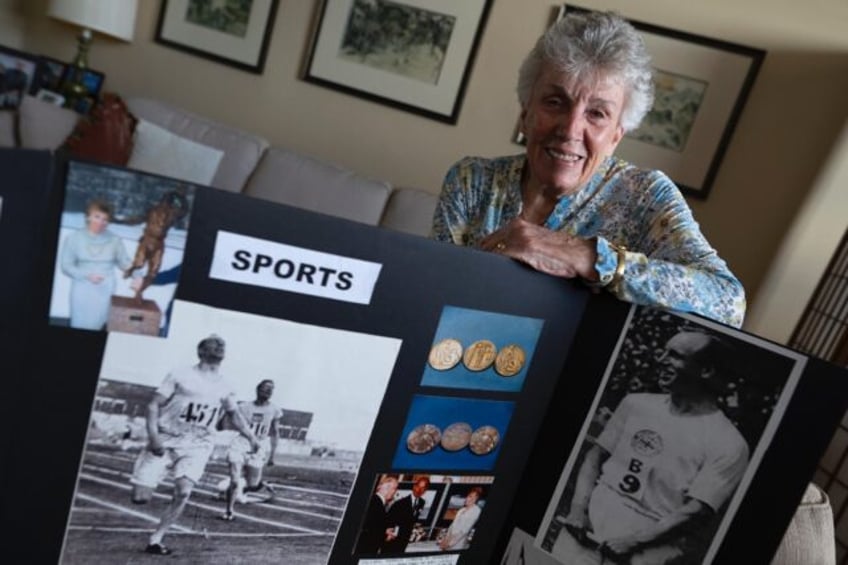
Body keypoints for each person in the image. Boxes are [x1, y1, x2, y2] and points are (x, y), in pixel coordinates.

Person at [431, 10, 745, 329]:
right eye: (555, 102)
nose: (570, 130)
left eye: (597, 113)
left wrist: (589, 257)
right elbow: (432, 291)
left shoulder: (646, 196)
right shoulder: (472, 181)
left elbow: (728, 302)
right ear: (525, 113)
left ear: (615, 137)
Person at [554, 331, 749, 564]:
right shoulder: (636, 403)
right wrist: (578, 509)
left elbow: (697, 511)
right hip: (590, 522)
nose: (661, 360)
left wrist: (636, 540)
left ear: (705, 371)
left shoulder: (729, 442)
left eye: (675, 355)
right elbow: (594, 457)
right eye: (664, 352)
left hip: (649, 543)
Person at [129, 335, 259, 556]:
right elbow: (153, 406)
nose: (219, 345)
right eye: (213, 344)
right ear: (200, 351)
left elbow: (234, 414)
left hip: (198, 444)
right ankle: (148, 486)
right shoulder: (180, 374)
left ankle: (156, 539)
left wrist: (251, 437)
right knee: (140, 498)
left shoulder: (226, 384)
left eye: (222, 344)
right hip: (167, 438)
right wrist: (153, 436)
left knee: (183, 492)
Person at [60, 199, 134, 330]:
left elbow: (125, 262)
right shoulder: (73, 238)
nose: (101, 222)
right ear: (88, 216)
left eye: (105, 219)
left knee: (98, 324)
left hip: (105, 289)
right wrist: (86, 275)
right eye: (97, 216)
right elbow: (66, 266)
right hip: (82, 287)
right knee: (78, 323)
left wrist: (138, 275)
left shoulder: (115, 240)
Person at [220, 378, 282, 521]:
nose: (268, 391)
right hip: (241, 443)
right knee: (235, 480)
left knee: (253, 484)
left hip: (259, 446)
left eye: (271, 389)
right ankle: (229, 510)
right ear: (258, 389)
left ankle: (247, 486)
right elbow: (225, 424)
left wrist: (272, 455)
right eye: (265, 388)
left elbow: (275, 433)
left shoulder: (275, 410)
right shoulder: (243, 406)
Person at [384, 476, 431, 553]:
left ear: (425, 490)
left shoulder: (422, 502)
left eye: (423, 488)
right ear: (414, 486)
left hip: (405, 540)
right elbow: (389, 522)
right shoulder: (400, 503)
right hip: (393, 540)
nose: (419, 490)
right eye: (418, 486)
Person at [357, 475, 399, 554]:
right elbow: (369, 531)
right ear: (386, 488)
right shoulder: (376, 504)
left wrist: (385, 531)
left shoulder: (375, 502)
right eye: (394, 489)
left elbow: (374, 526)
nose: (395, 492)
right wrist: (386, 536)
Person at [439, 487, 483, 551]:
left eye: (474, 498)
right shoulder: (461, 510)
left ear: (477, 500)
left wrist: (449, 544)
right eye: (470, 496)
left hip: (458, 544)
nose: (471, 499)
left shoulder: (476, 511)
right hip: (449, 542)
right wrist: (446, 539)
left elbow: (464, 531)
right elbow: (452, 526)